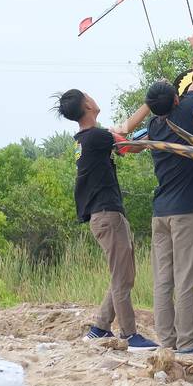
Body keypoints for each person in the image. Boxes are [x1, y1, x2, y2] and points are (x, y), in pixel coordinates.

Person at [56, 88, 159, 352]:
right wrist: (151, 103)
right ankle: (130, 334)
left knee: (122, 274)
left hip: (105, 216)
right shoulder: (96, 137)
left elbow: (127, 144)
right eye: (90, 96)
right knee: (122, 277)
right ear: (87, 105)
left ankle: (101, 327)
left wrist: (148, 136)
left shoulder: (86, 139)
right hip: (107, 215)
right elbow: (125, 133)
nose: (94, 98)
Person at [144, 34, 193, 357]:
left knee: (164, 279)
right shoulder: (185, 108)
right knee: (187, 278)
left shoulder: (154, 126)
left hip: (160, 212)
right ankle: (188, 342)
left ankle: (167, 340)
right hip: (185, 211)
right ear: (176, 100)